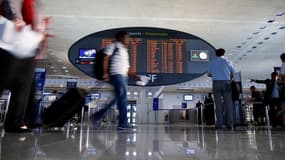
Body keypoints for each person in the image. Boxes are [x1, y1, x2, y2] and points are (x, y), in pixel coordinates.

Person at [0, 0, 50, 133]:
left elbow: (37, 21)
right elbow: (9, 5)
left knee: (24, 86)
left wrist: (41, 43)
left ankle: (15, 122)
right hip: (11, 42)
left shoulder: (36, 4)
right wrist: (14, 18)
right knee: (5, 79)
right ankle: (17, 122)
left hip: (27, 44)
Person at [102, 31, 139, 130]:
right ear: (121, 38)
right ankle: (123, 124)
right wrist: (105, 72)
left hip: (123, 76)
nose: (128, 40)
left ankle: (97, 116)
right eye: (127, 38)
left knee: (119, 98)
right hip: (116, 74)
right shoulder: (114, 46)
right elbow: (105, 58)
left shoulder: (125, 51)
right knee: (123, 98)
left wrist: (134, 76)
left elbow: (127, 67)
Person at [208, 48, 235, 129]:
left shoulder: (212, 62)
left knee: (218, 104)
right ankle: (229, 124)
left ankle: (219, 124)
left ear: (216, 54)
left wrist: (216, 75)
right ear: (224, 53)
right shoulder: (227, 61)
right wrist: (229, 80)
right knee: (228, 104)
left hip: (216, 83)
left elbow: (209, 74)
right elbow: (232, 73)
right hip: (226, 82)